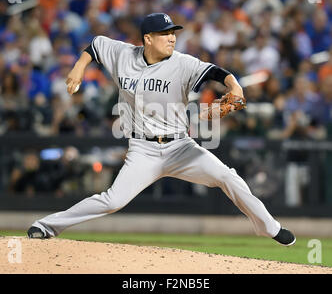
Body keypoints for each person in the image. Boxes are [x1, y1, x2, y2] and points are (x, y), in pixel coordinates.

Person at [27, 13, 295, 246]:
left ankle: (269, 227)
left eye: (173, 33)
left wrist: (234, 85)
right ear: (147, 38)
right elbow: (96, 45)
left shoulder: (182, 63)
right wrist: (78, 68)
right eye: (165, 34)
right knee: (112, 201)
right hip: (142, 150)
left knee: (227, 177)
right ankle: (47, 225)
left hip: (180, 147)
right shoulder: (123, 55)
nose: (172, 38)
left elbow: (216, 72)